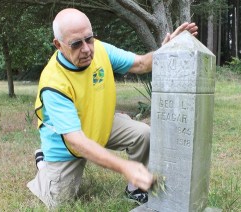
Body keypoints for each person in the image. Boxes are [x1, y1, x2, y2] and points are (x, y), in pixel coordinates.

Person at [27, 8, 198, 209]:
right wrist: (125, 166)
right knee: (60, 203)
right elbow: (77, 142)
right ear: (58, 44)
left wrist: (166, 49)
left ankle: (134, 189)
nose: (86, 49)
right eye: (76, 44)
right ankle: (43, 163)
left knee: (143, 134)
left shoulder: (100, 50)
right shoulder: (53, 83)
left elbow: (141, 64)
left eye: (89, 39)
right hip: (67, 147)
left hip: (99, 124)